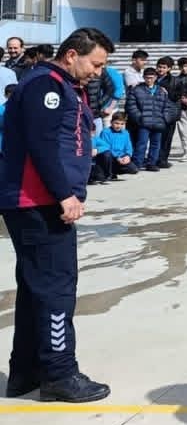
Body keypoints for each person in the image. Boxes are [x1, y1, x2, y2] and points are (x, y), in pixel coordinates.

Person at [0, 26, 114, 402]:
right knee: (56, 289)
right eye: (95, 64)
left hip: (39, 201)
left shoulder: (64, 86)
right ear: (71, 55)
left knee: (36, 288)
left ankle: (26, 371)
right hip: (39, 203)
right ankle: (59, 372)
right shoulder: (45, 86)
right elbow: (43, 144)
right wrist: (64, 194)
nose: (99, 72)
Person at [126, 68, 167, 172]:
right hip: (144, 122)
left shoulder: (161, 91)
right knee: (141, 143)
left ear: (156, 78)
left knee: (156, 144)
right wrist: (140, 117)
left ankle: (152, 163)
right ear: (143, 77)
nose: (149, 80)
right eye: (147, 78)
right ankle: (138, 163)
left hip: (158, 122)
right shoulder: (136, 90)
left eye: (151, 78)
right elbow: (131, 106)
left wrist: (164, 118)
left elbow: (167, 106)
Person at [90, 112, 137, 184]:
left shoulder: (125, 133)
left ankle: (113, 172)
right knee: (107, 155)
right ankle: (107, 174)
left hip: (121, 157)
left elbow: (129, 147)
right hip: (110, 157)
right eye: (116, 123)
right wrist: (117, 157)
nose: (119, 126)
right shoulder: (106, 132)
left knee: (133, 169)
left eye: (122, 124)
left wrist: (128, 155)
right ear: (111, 122)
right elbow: (107, 147)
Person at [153, 56, 181, 169]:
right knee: (155, 138)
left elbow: (177, 96)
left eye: (164, 68)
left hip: (168, 113)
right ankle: (153, 159)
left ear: (169, 69)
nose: (160, 70)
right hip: (154, 112)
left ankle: (163, 159)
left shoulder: (175, 81)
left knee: (166, 138)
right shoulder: (151, 77)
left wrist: (167, 92)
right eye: (159, 67)